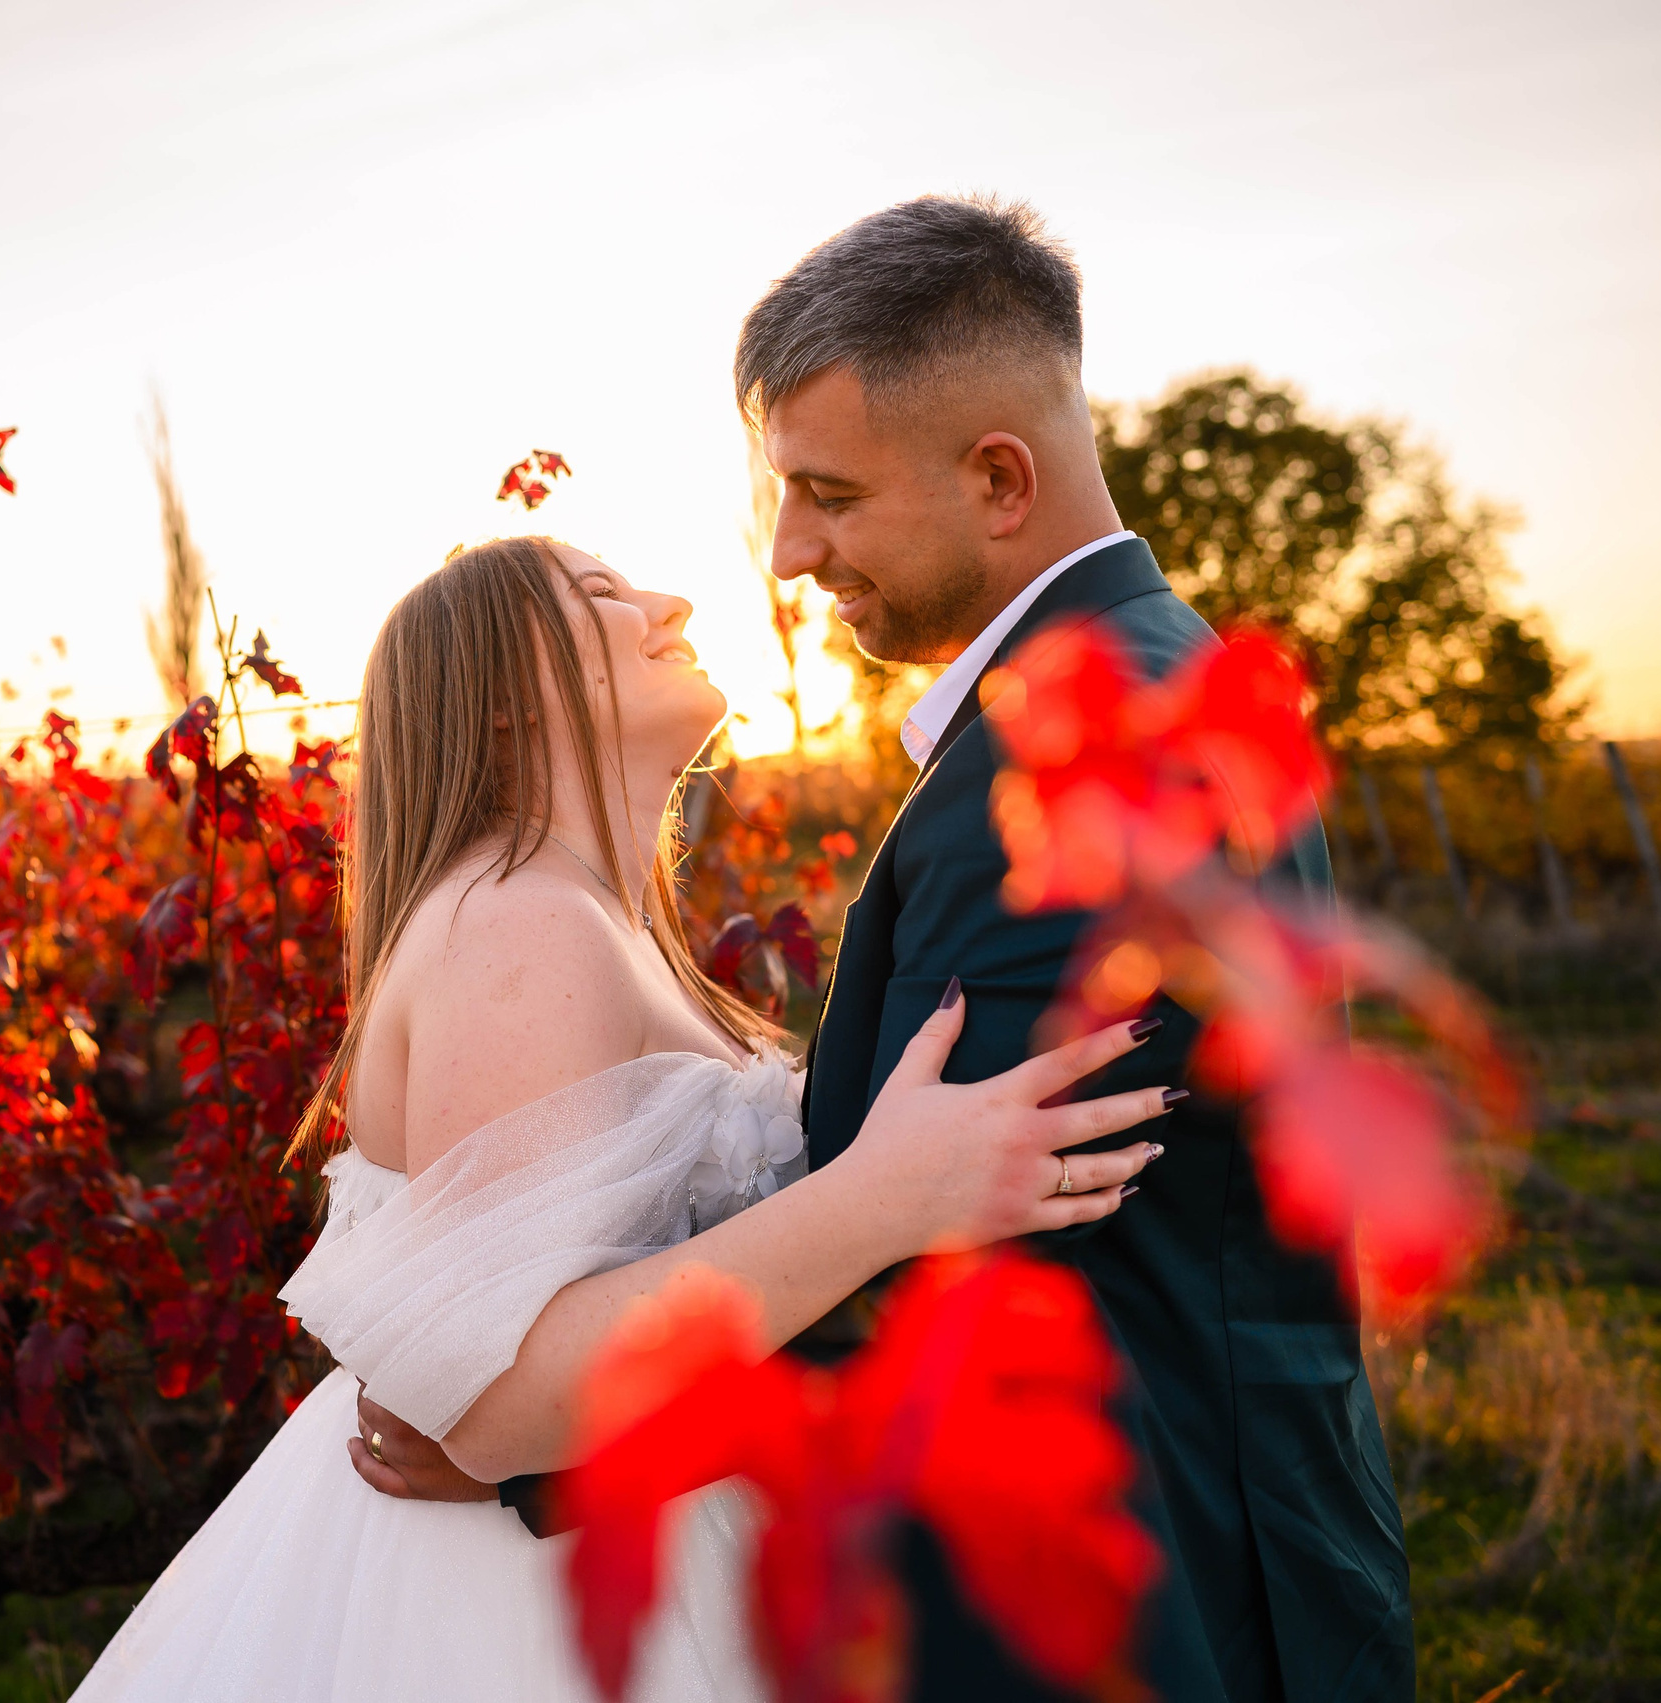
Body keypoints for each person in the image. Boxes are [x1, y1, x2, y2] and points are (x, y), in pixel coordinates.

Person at [360, 198, 1413, 1702]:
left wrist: (547, 1439)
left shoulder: (1062, 768)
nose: (786, 554)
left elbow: (952, 1281)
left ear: (998, 479)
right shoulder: (1145, 692)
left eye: (829, 495)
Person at [71, 532, 1173, 1702]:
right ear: (500, 701)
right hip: (508, 1612)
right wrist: (882, 1198)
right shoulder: (518, 922)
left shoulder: (585, 920)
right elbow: (496, 1398)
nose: (670, 601)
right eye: (602, 592)